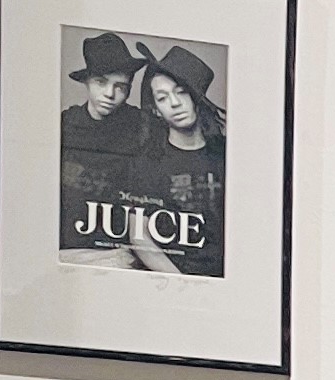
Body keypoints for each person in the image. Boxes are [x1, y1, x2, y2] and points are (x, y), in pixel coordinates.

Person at [121, 45, 227, 279]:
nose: (175, 103)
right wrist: (180, 283)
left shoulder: (227, 154)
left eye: (181, 92)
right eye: (162, 98)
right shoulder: (146, 163)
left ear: (195, 97)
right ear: (157, 110)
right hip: (171, 279)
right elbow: (139, 237)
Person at [57, 32, 148, 262]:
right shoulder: (63, 125)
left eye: (120, 87)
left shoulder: (143, 126)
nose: (110, 94)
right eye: (101, 82)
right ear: (87, 81)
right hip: (67, 253)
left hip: (121, 254)